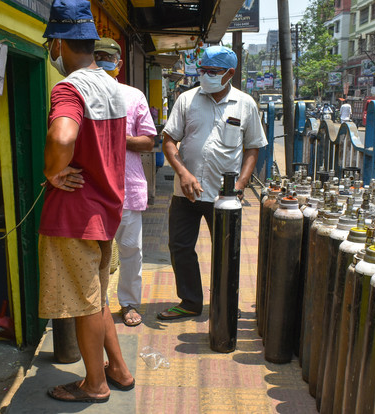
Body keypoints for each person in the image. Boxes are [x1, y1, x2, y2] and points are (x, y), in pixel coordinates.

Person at [38, 0, 133, 403]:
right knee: (98, 297)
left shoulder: (69, 87)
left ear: (58, 43)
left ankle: (94, 384)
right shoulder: (112, 85)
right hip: (108, 210)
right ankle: (120, 371)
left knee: (85, 305)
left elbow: (62, 137)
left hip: (76, 214)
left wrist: (51, 172)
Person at [157, 46, 267, 320]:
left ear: (230, 73)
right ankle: (190, 301)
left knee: (225, 251)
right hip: (186, 193)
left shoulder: (245, 104)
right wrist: (182, 172)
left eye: (213, 72)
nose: (205, 76)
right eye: (203, 70)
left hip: (224, 196)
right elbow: (169, 140)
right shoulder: (186, 99)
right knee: (180, 247)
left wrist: (241, 184)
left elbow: (253, 147)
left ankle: (226, 302)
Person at [94, 37, 157, 327]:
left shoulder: (134, 96)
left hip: (128, 188)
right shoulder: (81, 93)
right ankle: (98, 304)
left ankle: (129, 303)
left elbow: (148, 141)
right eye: (99, 57)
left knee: (131, 250)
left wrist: (120, 138)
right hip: (93, 189)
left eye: (110, 58)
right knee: (95, 253)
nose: (105, 62)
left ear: (119, 63)